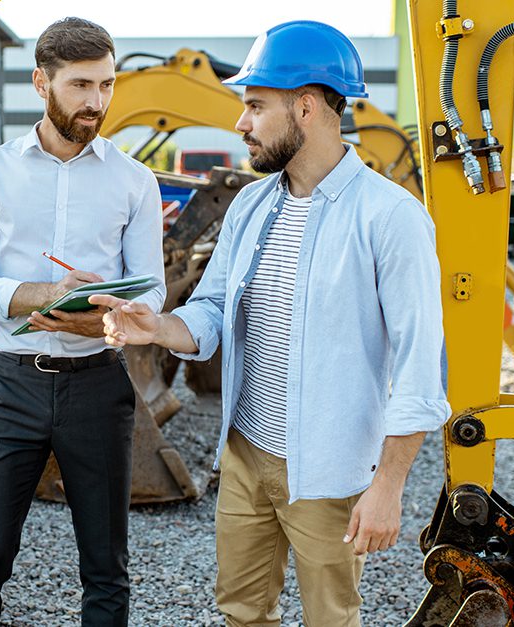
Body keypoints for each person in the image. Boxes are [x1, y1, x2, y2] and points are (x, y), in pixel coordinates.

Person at [91, 21, 451, 626]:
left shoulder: (391, 218)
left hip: (329, 473)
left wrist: (388, 486)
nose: (241, 123)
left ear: (305, 106)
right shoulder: (252, 206)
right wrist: (154, 326)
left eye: (255, 106)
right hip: (245, 453)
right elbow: (210, 313)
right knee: (241, 610)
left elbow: (421, 368)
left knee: (330, 618)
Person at [0, 17, 165, 627]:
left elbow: (153, 288)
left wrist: (106, 315)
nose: (97, 102)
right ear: (41, 82)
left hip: (98, 385)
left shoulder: (134, 181)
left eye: (107, 85)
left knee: (105, 567)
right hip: (9, 385)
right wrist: (43, 294)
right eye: (80, 86)